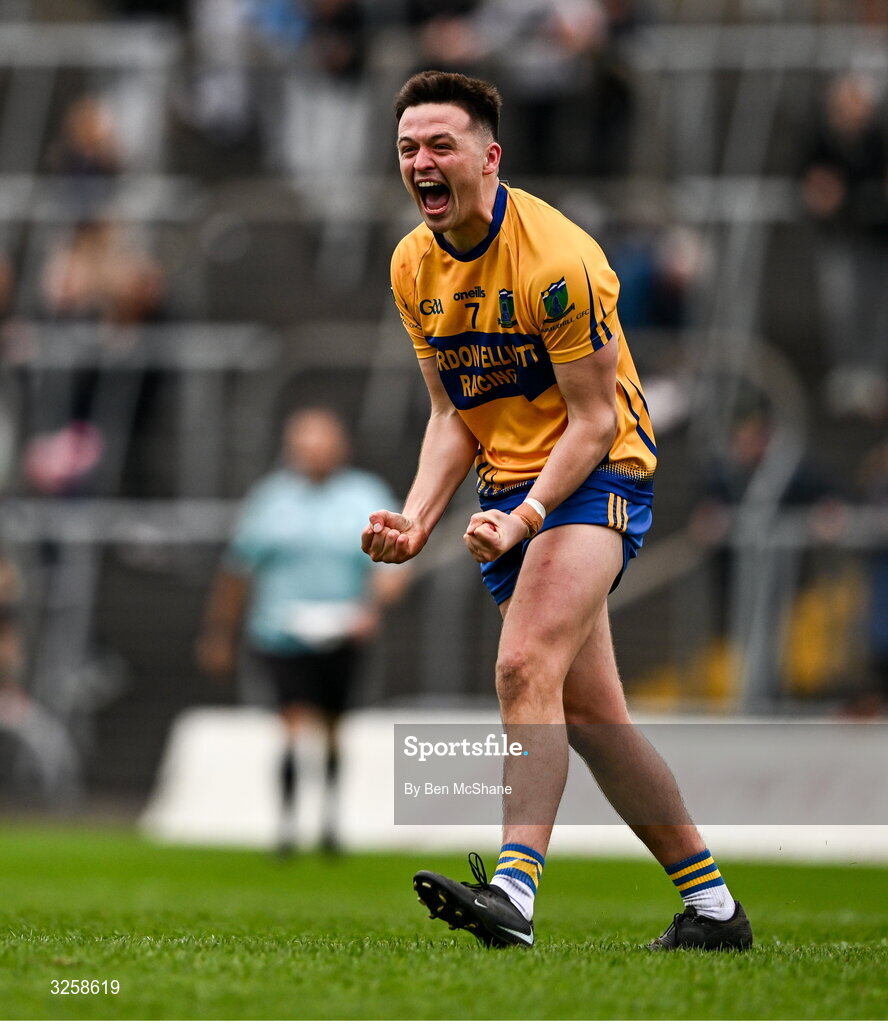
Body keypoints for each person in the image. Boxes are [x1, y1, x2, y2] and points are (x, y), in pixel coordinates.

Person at [362, 70, 752, 950]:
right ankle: (716, 912)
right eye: (407, 149)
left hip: (596, 472)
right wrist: (419, 517)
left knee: (520, 667)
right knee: (595, 722)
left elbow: (594, 419)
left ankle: (514, 895)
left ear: (489, 157)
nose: (421, 163)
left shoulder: (560, 262)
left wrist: (527, 518)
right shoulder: (410, 265)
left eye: (441, 146)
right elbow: (452, 413)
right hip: (512, 489)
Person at [198, 407, 408, 853]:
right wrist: (220, 633)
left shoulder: (364, 495)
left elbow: (391, 568)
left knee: (334, 725)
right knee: (292, 719)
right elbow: (237, 570)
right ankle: (288, 825)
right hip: (280, 630)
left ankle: (329, 821)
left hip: (341, 629)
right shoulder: (270, 499)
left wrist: (373, 607)